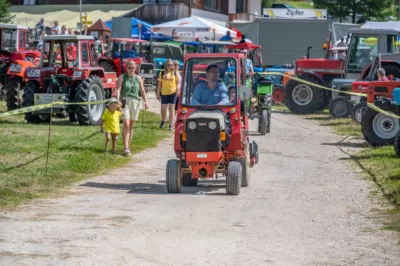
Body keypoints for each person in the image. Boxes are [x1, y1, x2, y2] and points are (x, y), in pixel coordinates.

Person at [116, 60, 149, 156]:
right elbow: (118, 89)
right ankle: (125, 147)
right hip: (125, 101)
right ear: (126, 68)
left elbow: (142, 91)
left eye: (133, 68)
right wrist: (118, 100)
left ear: (136, 68)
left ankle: (127, 147)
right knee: (126, 123)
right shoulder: (122, 77)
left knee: (131, 125)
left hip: (135, 102)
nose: (131, 69)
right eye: (129, 67)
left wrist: (146, 102)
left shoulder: (138, 78)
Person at [156, 59, 179, 131]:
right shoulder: (162, 73)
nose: (170, 66)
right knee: (163, 108)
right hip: (164, 93)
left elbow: (177, 83)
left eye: (171, 65)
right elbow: (159, 85)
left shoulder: (175, 73)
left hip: (173, 93)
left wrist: (178, 90)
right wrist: (158, 94)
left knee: (171, 108)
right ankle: (163, 120)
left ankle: (171, 125)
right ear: (166, 65)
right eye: (168, 65)